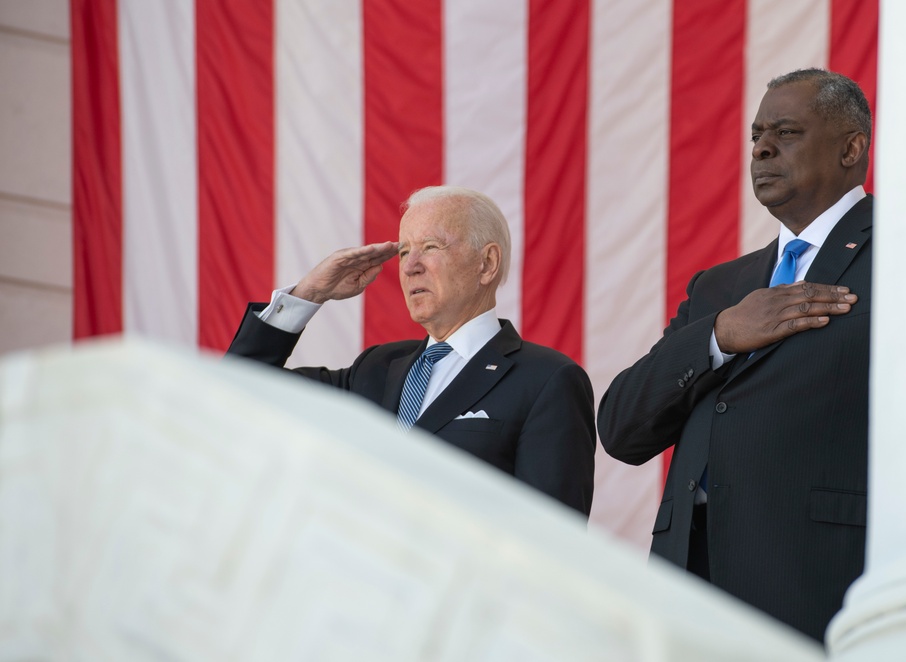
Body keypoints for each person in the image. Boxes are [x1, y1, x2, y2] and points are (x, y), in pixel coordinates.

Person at [597, 69, 872, 642]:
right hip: (688, 587)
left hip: (820, 584)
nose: (763, 148)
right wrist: (719, 334)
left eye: (787, 132)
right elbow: (623, 428)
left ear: (851, 148)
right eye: (757, 135)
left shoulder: (905, 253)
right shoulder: (719, 290)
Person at [228, 185, 596, 516]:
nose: (409, 266)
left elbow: (553, 543)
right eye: (404, 251)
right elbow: (242, 392)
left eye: (431, 247)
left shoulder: (547, 381)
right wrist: (308, 294)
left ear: (487, 263)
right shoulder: (374, 369)